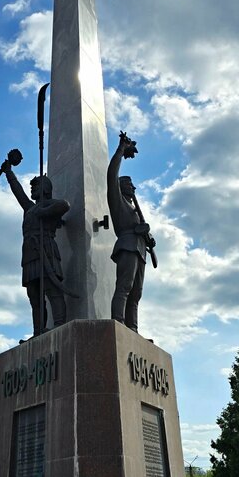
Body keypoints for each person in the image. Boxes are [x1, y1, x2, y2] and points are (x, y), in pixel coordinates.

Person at [0, 154, 70, 336]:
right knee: (34, 296)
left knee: (52, 290)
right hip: (29, 254)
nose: (32, 189)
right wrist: (9, 173)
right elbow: (18, 192)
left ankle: (60, 325)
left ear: (45, 188)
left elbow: (64, 205)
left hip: (46, 249)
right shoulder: (30, 208)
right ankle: (38, 331)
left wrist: (44, 212)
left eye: (35, 186)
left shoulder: (49, 204)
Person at [107, 131, 155, 332]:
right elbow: (111, 175)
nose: (133, 187)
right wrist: (121, 150)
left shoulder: (134, 208)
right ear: (121, 187)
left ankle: (132, 329)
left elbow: (142, 231)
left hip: (141, 249)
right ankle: (118, 323)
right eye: (128, 184)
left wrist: (148, 237)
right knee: (124, 288)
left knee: (136, 294)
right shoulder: (118, 202)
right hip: (127, 245)